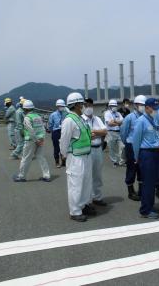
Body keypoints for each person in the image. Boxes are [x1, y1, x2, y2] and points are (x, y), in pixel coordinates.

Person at [60, 92, 95, 222]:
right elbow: (63, 141)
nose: (84, 106)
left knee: (86, 183)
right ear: (75, 105)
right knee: (75, 185)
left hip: (86, 156)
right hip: (75, 158)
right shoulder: (69, 120)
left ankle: (84, 205)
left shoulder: (81, 119)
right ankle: (75, 211)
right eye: (82, 104)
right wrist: (63, 155)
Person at [132, 98, 159, 219]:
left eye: (157, 109)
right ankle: (145, 210)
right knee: (148, 183)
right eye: (154, 109)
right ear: (147, 108)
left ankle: (150, 205)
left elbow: (156, 134)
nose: (156, 111)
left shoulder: (152, 119)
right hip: (146, 154)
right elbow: (136, 141)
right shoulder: (141, 121)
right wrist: (136, 157)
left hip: (154, 153)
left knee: (152, 182)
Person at [13, 100, 51, 182]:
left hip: (31, 140)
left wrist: (36, 140)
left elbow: (30, 130)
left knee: (26, 158)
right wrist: (41, 139)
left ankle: (22, 176)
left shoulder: (27, 118)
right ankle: (46, 175)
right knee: (41, 157)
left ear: (25, 109)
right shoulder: (38, 116)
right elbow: (43, 128)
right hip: (40, 139)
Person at [82, 98, 108, 206]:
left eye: (91, 105)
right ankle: (87, 200)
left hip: (98, 148)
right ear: (83, 107)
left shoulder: (97, 118)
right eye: (87, 105)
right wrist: (98, 133)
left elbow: (105, 131)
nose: (89, 108)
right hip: (87, 149)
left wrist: (93, 132)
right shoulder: (81, 119)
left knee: (97, 175)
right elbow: (85, 134)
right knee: (87, 175)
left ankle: (97, 197)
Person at [120, 95, 146, 201]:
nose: (143, 106)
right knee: (132, 168)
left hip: (143, 146)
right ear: (135, 105)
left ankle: (141, 190)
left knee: (141, 169)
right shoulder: (129, 117)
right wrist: (127, 144)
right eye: (141, 104)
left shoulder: (145, 117)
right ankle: (130, 191)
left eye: (144, 105)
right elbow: (123, 133)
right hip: (131, 146)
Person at [104, 99, 125, 166]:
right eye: (113, 106)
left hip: (119, 132)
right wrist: (118, 122)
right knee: (112, 148)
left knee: (122, 146)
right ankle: (115, 161)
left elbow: (123, 121)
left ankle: (122, 161)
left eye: (115, 106)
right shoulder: (107, 113)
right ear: (110, 106)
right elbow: (109, 124)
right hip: (110, 132)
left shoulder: (118, 113)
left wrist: (114, 121)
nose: (114, 107)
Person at [48, 99, 67, 168]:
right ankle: (57, 162)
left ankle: (64, 161)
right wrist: (51, 131)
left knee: (64, 147)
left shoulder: (66, 114)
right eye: (60, 106)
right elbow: (50, 124)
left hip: (64, 131)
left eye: (62, 106)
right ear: (57, 106)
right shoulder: (53, 115)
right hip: (56, 132)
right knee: (56, 148)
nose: (61, 107)